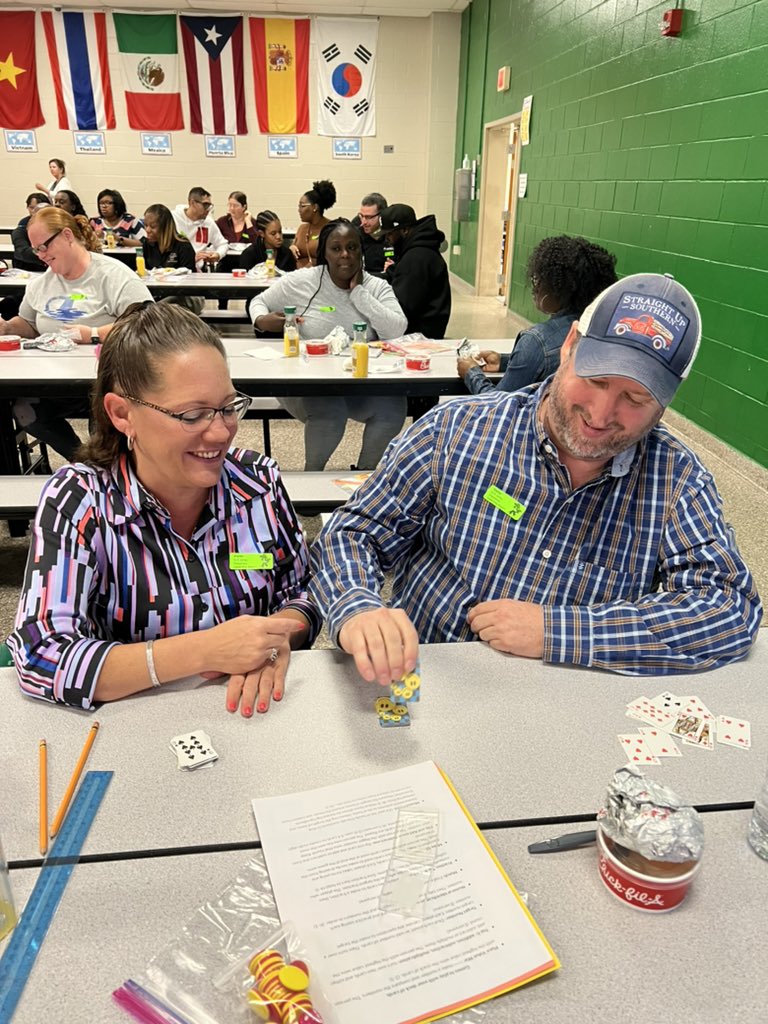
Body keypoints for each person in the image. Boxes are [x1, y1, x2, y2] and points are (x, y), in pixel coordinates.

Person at [310, 273, 762, 681]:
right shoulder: (456, 429)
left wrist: (558, 631)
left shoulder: (677, 480)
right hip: (424, 680)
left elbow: (729, 608)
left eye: (636, 398)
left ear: (666, 400)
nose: (602, 414)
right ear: (570, 345)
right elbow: (353, 533)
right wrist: (358, 606)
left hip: (563, 705)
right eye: (596, 380)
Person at [7, 303, 320, 714]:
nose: (221, 432)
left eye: (228, 407)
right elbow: (41, 656)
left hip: (249, 715)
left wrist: (277, 640)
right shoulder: (80, 502)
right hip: (133, 722)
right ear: (122, 414)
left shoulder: (258, 484)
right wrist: (205, 650)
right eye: (192, 415)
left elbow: (303, 590)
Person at [249, 219, 408, 471]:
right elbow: (258, 301)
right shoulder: (303, 281)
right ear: (324, 252)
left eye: (352, 247)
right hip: (305, 384)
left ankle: (364, 475)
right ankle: (311, 477)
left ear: (361, 251)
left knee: (392, 407)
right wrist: (262, 320)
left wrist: (358, 293)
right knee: (330, 412)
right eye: (336, 248)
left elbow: (396, 329)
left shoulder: (376, 286)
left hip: (355, 383)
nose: (345, 254)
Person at [0, 206, 153, 459]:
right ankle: (83, 461)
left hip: (107, 379)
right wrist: (6, 327)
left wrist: (94, 332)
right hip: (54, 380)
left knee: (104, 419)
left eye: (44, 246)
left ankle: (100, 461)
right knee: (24, 408)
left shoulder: (113, 275)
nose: (41, 255)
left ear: (67, 235)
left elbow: (146, 322)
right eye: (36, 250)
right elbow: (29, 324)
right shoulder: (42, 283)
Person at [459, 235, 617, 395]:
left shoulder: (536, 341)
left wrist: (471, 373)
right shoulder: (603, 330)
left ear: (560, 288)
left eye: (537, 280)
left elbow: (497, 404)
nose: (535, 288)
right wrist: (505, 361)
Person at [380, 204, 451, 338]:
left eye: (390, 234)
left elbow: (400, 308)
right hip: (422, 330)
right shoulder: (415, 251)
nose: (387, 240)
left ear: (405, 230)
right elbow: (394, 274)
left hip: (420, 336)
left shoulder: (416, 258)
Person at [172, 187, 228, 269]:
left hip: (198, 270)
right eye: (205, 205)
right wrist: (190, 259)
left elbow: (223, 244)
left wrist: (218, 254)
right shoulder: (173, 218)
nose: (208, 209)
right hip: (175, 269)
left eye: (210, 206)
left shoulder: (208, 222)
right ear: (192, 203)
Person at [291, 180, 336, 269]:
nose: (299, 210)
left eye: (302, 206)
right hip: (298, 274)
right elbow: (293, 247)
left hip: (321, 275)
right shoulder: (302, 229)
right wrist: (291, 249)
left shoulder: (331, 229)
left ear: (315, 207)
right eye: (299, 206)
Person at [240, 210, 297, 276]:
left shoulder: (287, 254)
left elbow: (293, 278)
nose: (278, 237)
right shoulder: (249, 255)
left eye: (280, 232)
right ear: (262, 233)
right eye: (273, 233)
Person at [143, 204, 197, 273]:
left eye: (153, 226)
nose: (147, 230)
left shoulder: (184, 246)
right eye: (146, 225)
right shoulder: (147, 244)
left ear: (165, 227)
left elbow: (190, 275)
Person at [355, 192, 388, 274]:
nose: (363, 222)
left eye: (369, 217)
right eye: (361, 216)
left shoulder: (392, 233)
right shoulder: (355, 233)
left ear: (382, 216)